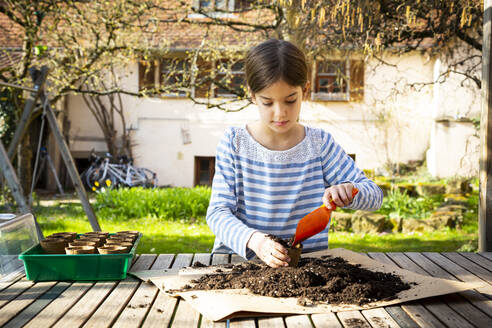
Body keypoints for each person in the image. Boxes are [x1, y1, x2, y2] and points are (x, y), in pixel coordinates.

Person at [206, 39, 383, 268]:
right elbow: (218, 213)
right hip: (238, 265)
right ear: (252, 95)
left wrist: (351, 190)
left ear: (305, 91)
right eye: (267, 102)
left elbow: (375, 196)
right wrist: (256, 242)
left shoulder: (319, 145)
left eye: (290, 100)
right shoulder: (235, 143)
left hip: (306, 268)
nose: (280, 113)